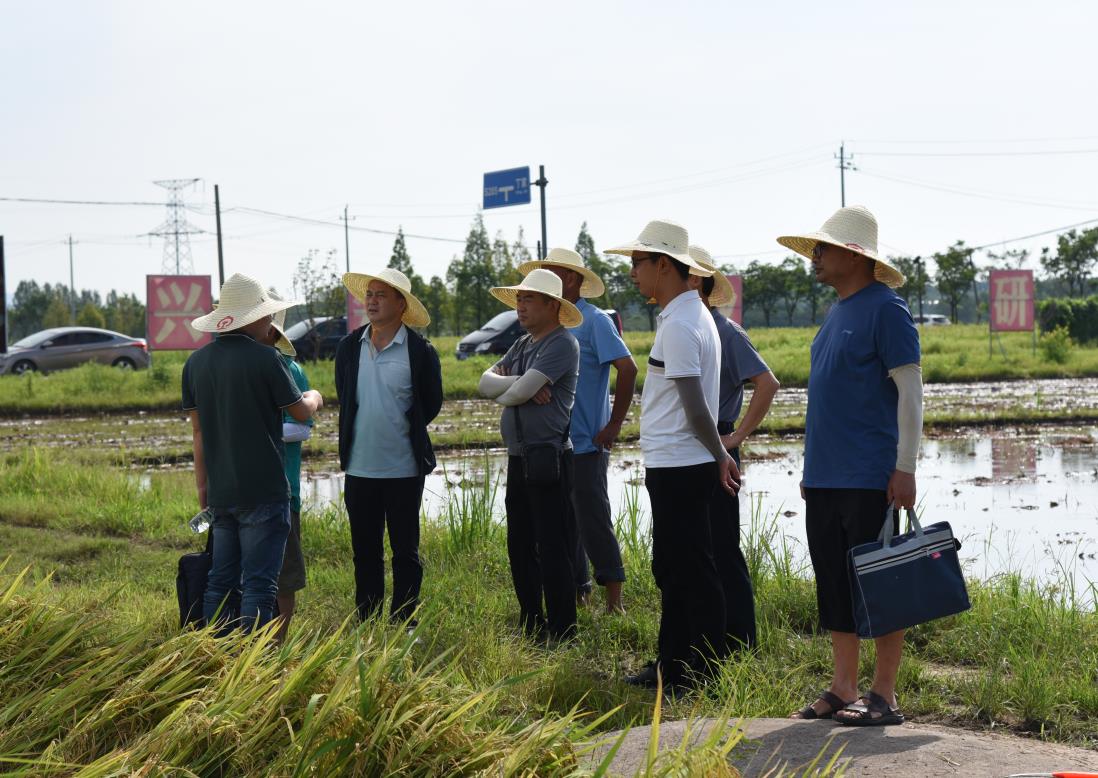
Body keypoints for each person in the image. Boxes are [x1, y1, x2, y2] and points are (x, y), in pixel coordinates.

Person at [777, 206, 922, 726]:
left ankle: (883, 694)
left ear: (855, 255)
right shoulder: (838, 310)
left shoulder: (887, 309)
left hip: (869, 477)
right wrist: (811, 470)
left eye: (823, 248)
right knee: (832, 583)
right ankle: (842, 686)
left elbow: (910, 392)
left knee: (879, 585)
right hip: (825, 477)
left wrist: (905, 466)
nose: (814, 257)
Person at [607, 219, 739, 693]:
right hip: (675, 462)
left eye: (638, 263)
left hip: (682, 465)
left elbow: (693, 403)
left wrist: (718, 454)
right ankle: (671, 662)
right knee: (674, 568)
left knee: (692, 571)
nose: (633, 273)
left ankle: (701, 671)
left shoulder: (683, 323)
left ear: (664, 265)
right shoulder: (685, 316)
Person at [183, 273, 323, 632]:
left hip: (222, 494)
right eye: (268, 316)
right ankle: (255, 669)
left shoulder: (195, 365)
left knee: (221, 580)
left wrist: (204, 493)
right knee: (260, 586)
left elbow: (198, 433)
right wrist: (315, 397)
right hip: (264, 492)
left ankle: (212, 654)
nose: (271, 323)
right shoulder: (267, 360)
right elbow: (300, 413)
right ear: (256, 318)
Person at [518, 248, 637, 614]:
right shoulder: (548, 327)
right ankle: (578, 590)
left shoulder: (594, 321)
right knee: (562, 521)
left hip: (587, 439)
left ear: (571, 279)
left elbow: (628, 369)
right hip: (552, 442)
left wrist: (614, 424)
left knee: (591, 517)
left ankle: (614, 598)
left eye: (552, 274)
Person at [478, 269, 582, 644]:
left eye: (529, 300)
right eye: (519, 299)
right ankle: (531, 620)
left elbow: (508, 390)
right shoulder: (522, 345)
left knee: (552, 545)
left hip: (549, 456)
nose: (520, 306)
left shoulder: (562, 344)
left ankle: (562, 628)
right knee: (519, 542)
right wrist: (518, 386)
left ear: (553, 305)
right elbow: (484, 383)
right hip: (519, 455)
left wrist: (515, 388)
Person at [336, 268, 442, 626]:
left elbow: (431, 403)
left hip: (403, 468)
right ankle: (366, 619)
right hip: (360, 467)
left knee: (405, 552)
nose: (372, 301)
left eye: (382, 295)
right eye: (369, 294)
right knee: (364, 552)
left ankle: (404, 620)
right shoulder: (349, 348)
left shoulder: (419, 351)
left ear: (402, 305)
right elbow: (346, 397)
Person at [688, 246, 779, 652]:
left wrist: (736, 437)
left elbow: (767, 382)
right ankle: (710, 637)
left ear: (696, 281)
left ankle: (740, 641)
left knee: (721, 545)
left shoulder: (724, 330)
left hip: (718, 443)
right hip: (691, 447)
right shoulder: (687, 325)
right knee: (697, 548)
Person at [259, 292, 313, 643]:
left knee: (284, 573)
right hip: (249, 490)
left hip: (282, 487)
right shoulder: (238, 367)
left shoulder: (290, 369)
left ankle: (277, 641)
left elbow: (302, 427)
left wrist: (259, 432)